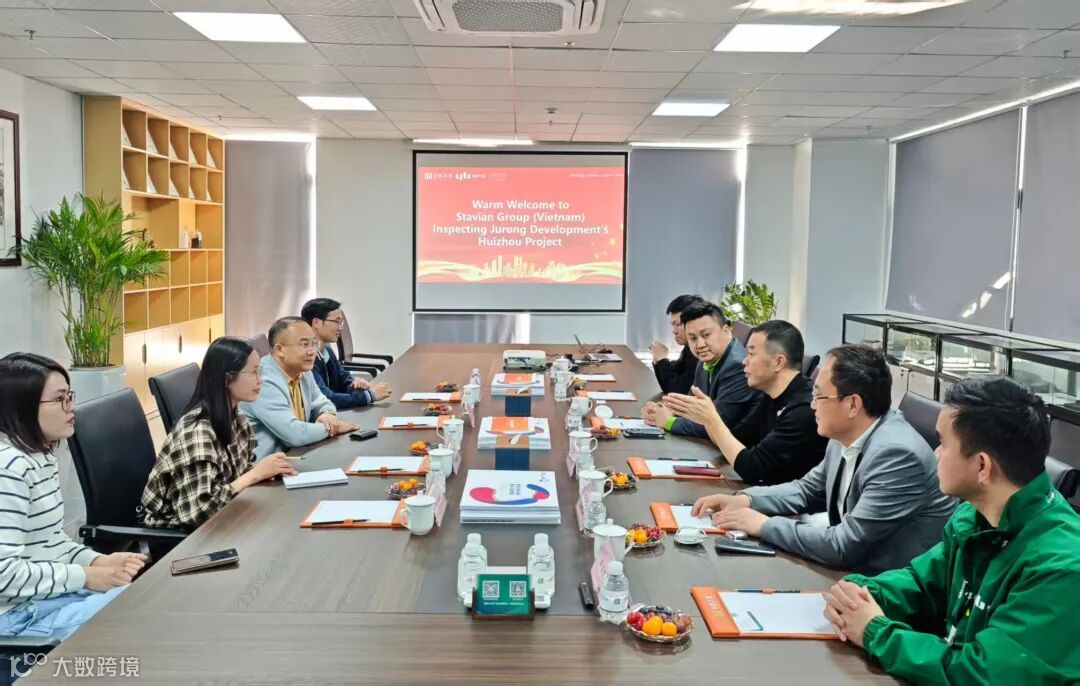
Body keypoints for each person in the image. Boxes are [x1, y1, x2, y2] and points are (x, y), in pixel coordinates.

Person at [824, 377, 1080, 684]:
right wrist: (860, 594)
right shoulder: (974, 516)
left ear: (982, 466)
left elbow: (982, 673)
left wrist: (875, 631)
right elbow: (923, 584)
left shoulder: (1061, 566)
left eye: (943, 443)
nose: (935, 454)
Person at [691, 344, 955, 574]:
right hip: (847, 574)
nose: (812, 405)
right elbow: (807, 490)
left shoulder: (897, 455)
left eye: (819, 396)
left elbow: (844, 545)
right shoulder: (846, 433)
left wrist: (765, 525)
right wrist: (746, 500)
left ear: (853, 405)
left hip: (887, 589)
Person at [0, 353, 147, 641]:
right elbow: (3, 576)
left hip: (41, 600)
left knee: (148, 600)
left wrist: (95, 561)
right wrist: (86, 576)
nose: (72, 408)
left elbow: (50, 542)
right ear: (22, 406)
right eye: (60, 400)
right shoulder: (9, 469)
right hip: (14, 617)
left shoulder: (39, 455)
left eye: (70, 396)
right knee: (142, 614)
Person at [142, 338, 299, 531]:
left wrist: (265, 471)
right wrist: (254, 475)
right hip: (183, 537)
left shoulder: (236, 417)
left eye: (260, 371)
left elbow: (237, 473)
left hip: (225, 518)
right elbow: (199, 513)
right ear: (227, 379)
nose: (260, 379)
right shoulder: (197, 432)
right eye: (253, 372)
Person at [664, 320, 826, 484]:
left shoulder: (804, 409)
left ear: (778, 362)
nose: (744, 361)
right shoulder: (770, 395)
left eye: (751, 354)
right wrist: (705, 418)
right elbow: (739, 438)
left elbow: (753, 469)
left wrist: (711, 419)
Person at [240, 317, 359, 459]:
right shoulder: (262, 381)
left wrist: (327, 414)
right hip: (267, 465)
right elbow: (294, 435)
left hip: (298, 455)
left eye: (314, 343)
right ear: (279, 349)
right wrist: (334, 428)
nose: (312, 351)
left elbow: (322, 402)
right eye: (304, 345)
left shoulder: (302, 369)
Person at [642, 301, 757, 437]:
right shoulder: (707, 358)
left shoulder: (738, 366)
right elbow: (691, 404)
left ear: (726, 331)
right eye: (693, 338)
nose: (700, 344)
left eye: (706, 335)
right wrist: (663, 409)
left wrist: (668, 422)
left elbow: (719, 424)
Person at [301, 298, 392, 410]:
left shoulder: (327, 351)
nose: (340, 328)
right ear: (316, 323)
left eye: (341, 322)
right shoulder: (307, 357)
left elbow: (343, 379)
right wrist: (369, 396)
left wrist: (355, 384)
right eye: (337, 322)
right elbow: (326, 398)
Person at [650, 294, 703, 395]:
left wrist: (662, 359)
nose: (674, 331)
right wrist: (658, 359)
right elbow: (667, 383)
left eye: (678, 324)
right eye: (673, 325)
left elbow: (678, 391)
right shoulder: (688, 348)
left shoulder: (700, 351)